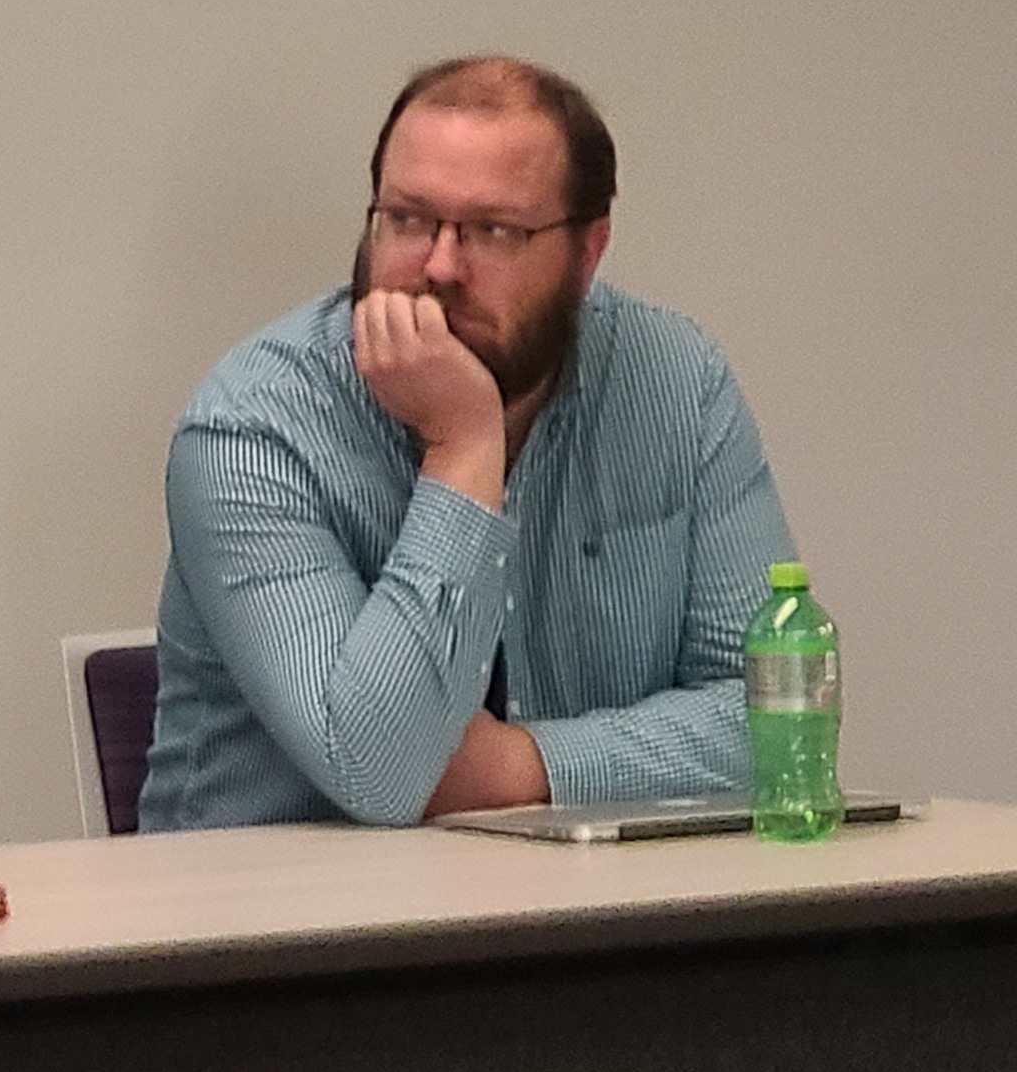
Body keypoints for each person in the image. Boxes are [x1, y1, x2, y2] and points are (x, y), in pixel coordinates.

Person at [143, 55, 795, 831]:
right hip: (279, 936)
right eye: (409, 220)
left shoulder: (676, 383)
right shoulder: (253, 429)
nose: (440, 267)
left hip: (583, 918)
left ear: (588, 254)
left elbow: (783, 716)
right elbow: (380, 773)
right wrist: (463, 447)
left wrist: (527, 766)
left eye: (493, 231)